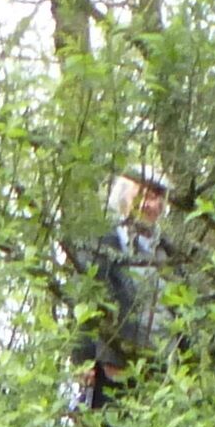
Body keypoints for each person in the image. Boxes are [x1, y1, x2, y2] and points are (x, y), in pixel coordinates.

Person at [72, 172, 171, 411]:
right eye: (145, 196)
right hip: (114, 373)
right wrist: (82, 360)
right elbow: (86, 304)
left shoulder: (168, 254)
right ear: (123, 199)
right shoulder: (102, 245)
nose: (153, 205)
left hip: (162, 380)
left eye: (159, 198)